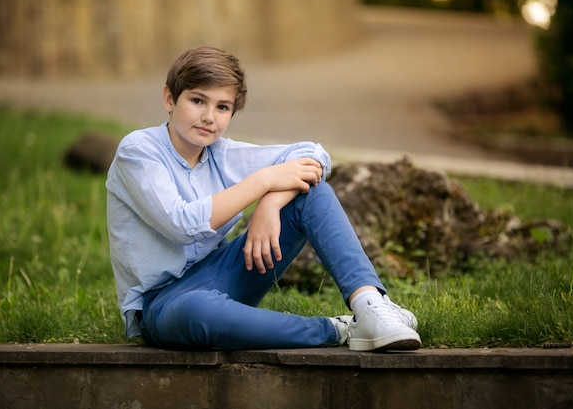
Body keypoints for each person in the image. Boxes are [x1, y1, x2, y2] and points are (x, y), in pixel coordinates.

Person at [106, 46, 421, 351]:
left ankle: (371, 306)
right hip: (163, 305)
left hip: (225, 273)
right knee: (199, 311)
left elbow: (314, 155)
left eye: (222, 107)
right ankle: (340, 328)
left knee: (312, 193)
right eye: (198, 100)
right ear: (169, 99)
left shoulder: (221, 153)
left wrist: (269, 204)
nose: (208, 117)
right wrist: (264, 180)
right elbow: (180, 224)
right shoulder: (139, 151)